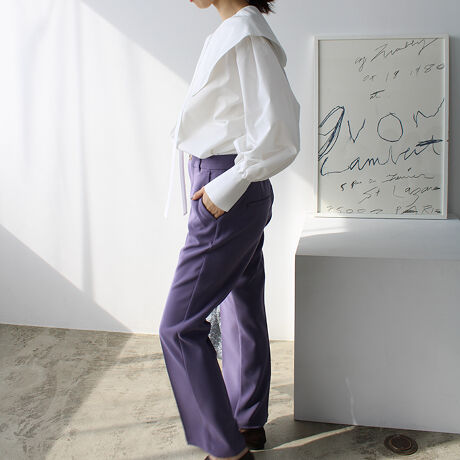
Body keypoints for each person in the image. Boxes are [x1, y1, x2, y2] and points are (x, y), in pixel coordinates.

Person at [159, 1, 300, 459]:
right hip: (229, 187)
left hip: (228, 188)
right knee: (240, 305)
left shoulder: (246, 35)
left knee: (179, 326)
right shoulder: (236, 32)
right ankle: (246, 421)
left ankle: (227, 450)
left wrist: (226, 186)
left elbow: (280, 129)